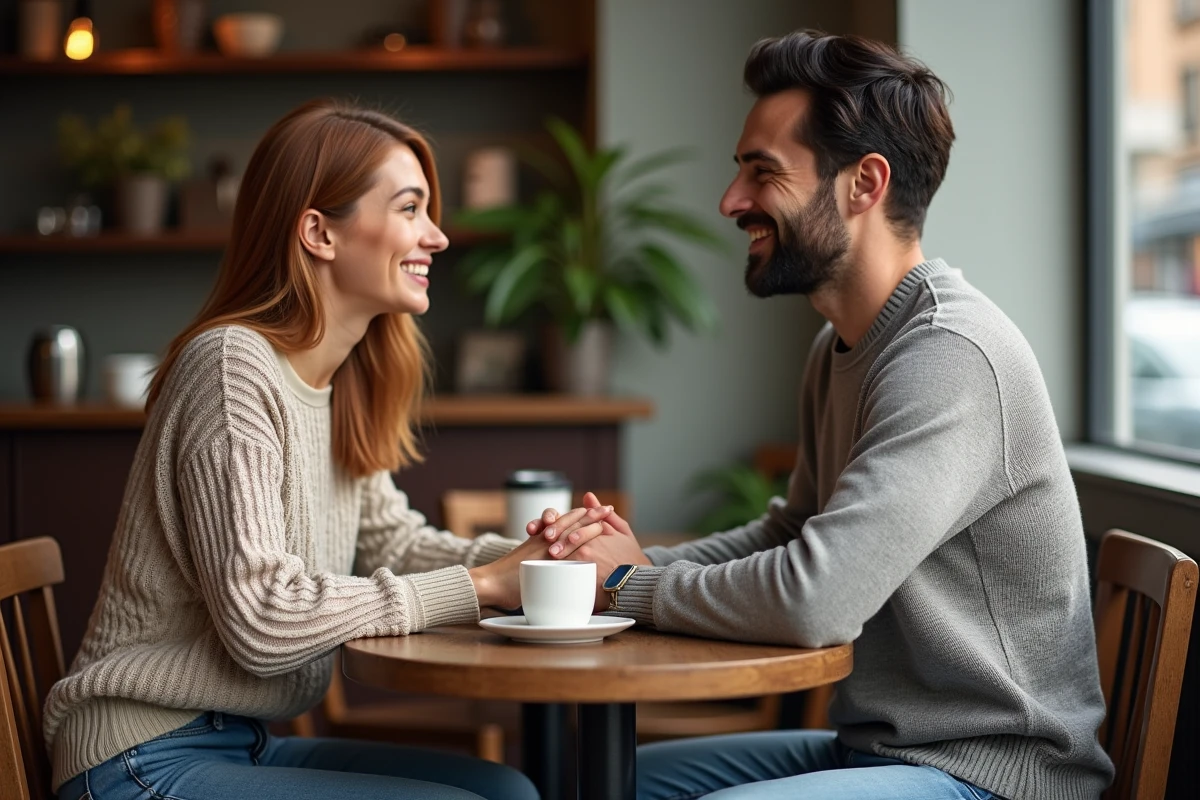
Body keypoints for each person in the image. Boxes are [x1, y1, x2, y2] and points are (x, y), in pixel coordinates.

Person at [535, 31, 1115, 800]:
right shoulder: (841, 346)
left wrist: (627, 585)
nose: (731, 201)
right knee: (598, 780)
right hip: (880, 751)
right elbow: (792, 531)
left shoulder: (950, 356)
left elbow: (819, 599)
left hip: (992, 772)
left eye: (762, 171)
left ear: (863, 184)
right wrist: (614, 565)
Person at [45, 99, 606, 800]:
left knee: (509, 793)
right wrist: (484, 586)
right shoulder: (231, 367)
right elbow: (261, 615)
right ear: (319, 232)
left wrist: (547, 561)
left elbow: (392, 542)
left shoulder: (335, 384)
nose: (437, 236)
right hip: (137, 758)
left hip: (240, 743)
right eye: (410, 208)